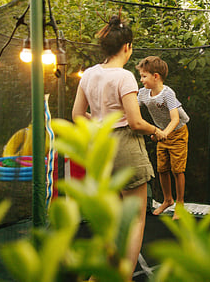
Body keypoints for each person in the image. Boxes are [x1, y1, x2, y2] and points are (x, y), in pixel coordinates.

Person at [71, 15, 165, 279]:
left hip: (100, 150)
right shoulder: (124, 77)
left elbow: (78, 115)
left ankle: (100, 275)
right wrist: (156, 130)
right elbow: (135, 122)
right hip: (125, 146)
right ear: (127, 47)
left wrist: (100, 124)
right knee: (135, 219)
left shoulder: (89, 74)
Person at [136, 56, 190, 220]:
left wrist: (164, 133)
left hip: (178, 131)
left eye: (144, 76)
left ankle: (179, 204)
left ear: (156, 76)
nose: (141, 79)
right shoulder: (143, 93)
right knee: (162, 169)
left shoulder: (167, 94)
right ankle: (168, 200)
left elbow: (175, 119)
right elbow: (134, 112)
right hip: (161, 132)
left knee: (177, 169)